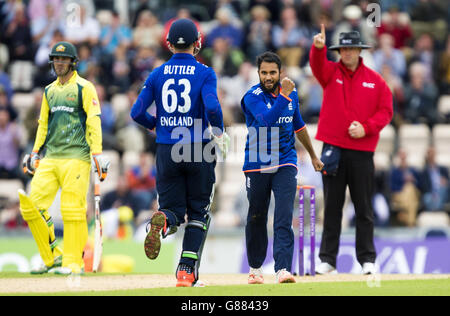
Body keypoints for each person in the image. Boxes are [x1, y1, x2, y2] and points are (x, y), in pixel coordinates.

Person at [130, 19, 230, 287]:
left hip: (167, 147)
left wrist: (158, 126)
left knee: (172, 209)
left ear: (169, 44)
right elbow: (211, 106)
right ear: (198, 43)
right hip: (197, 146)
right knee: (198, 212)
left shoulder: (157, 74)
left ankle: (163, 224)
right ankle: (186, 272)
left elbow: (136, 112)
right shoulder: (205, 73)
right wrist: (219, 131)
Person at [19, 41, 110, 275]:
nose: (59, 63)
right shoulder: (49, 91)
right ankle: (51, 258)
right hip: (51, 158)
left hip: (77, 158)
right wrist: (35, 151)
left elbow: (93, 120)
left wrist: (97, 153)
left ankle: (73, 263)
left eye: (64, 59)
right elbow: (43, 124)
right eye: (56, 59)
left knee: (72, 211)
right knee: (32, 207)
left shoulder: (84, 87)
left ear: (72, 62)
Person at [310, 26, 393, 275]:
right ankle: (327, 260)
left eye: (350, 48)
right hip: (333, 149)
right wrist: (318, 48)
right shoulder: (330, 72)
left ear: (359, 50)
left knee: (363, 208)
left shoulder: (375, 80)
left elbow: (386, 111)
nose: (346, 52)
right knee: (333, 207)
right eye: (342, 49)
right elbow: (317, 66)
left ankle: (367, 259)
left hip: (361, 152)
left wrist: (366, 128)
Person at [241, 51, 323, 284]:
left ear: (280, 73)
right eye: (264, 73)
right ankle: (256, 268)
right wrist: (285, 96)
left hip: (286, 161)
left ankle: (283, 269)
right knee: (257, 214)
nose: (268, 77)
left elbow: (298, 125)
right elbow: (266, 120)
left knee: (284, 215)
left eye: (272, 72)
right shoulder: (251, 96)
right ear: (258, 73)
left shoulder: (291, 95)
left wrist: (313, 155)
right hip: (257, 162)